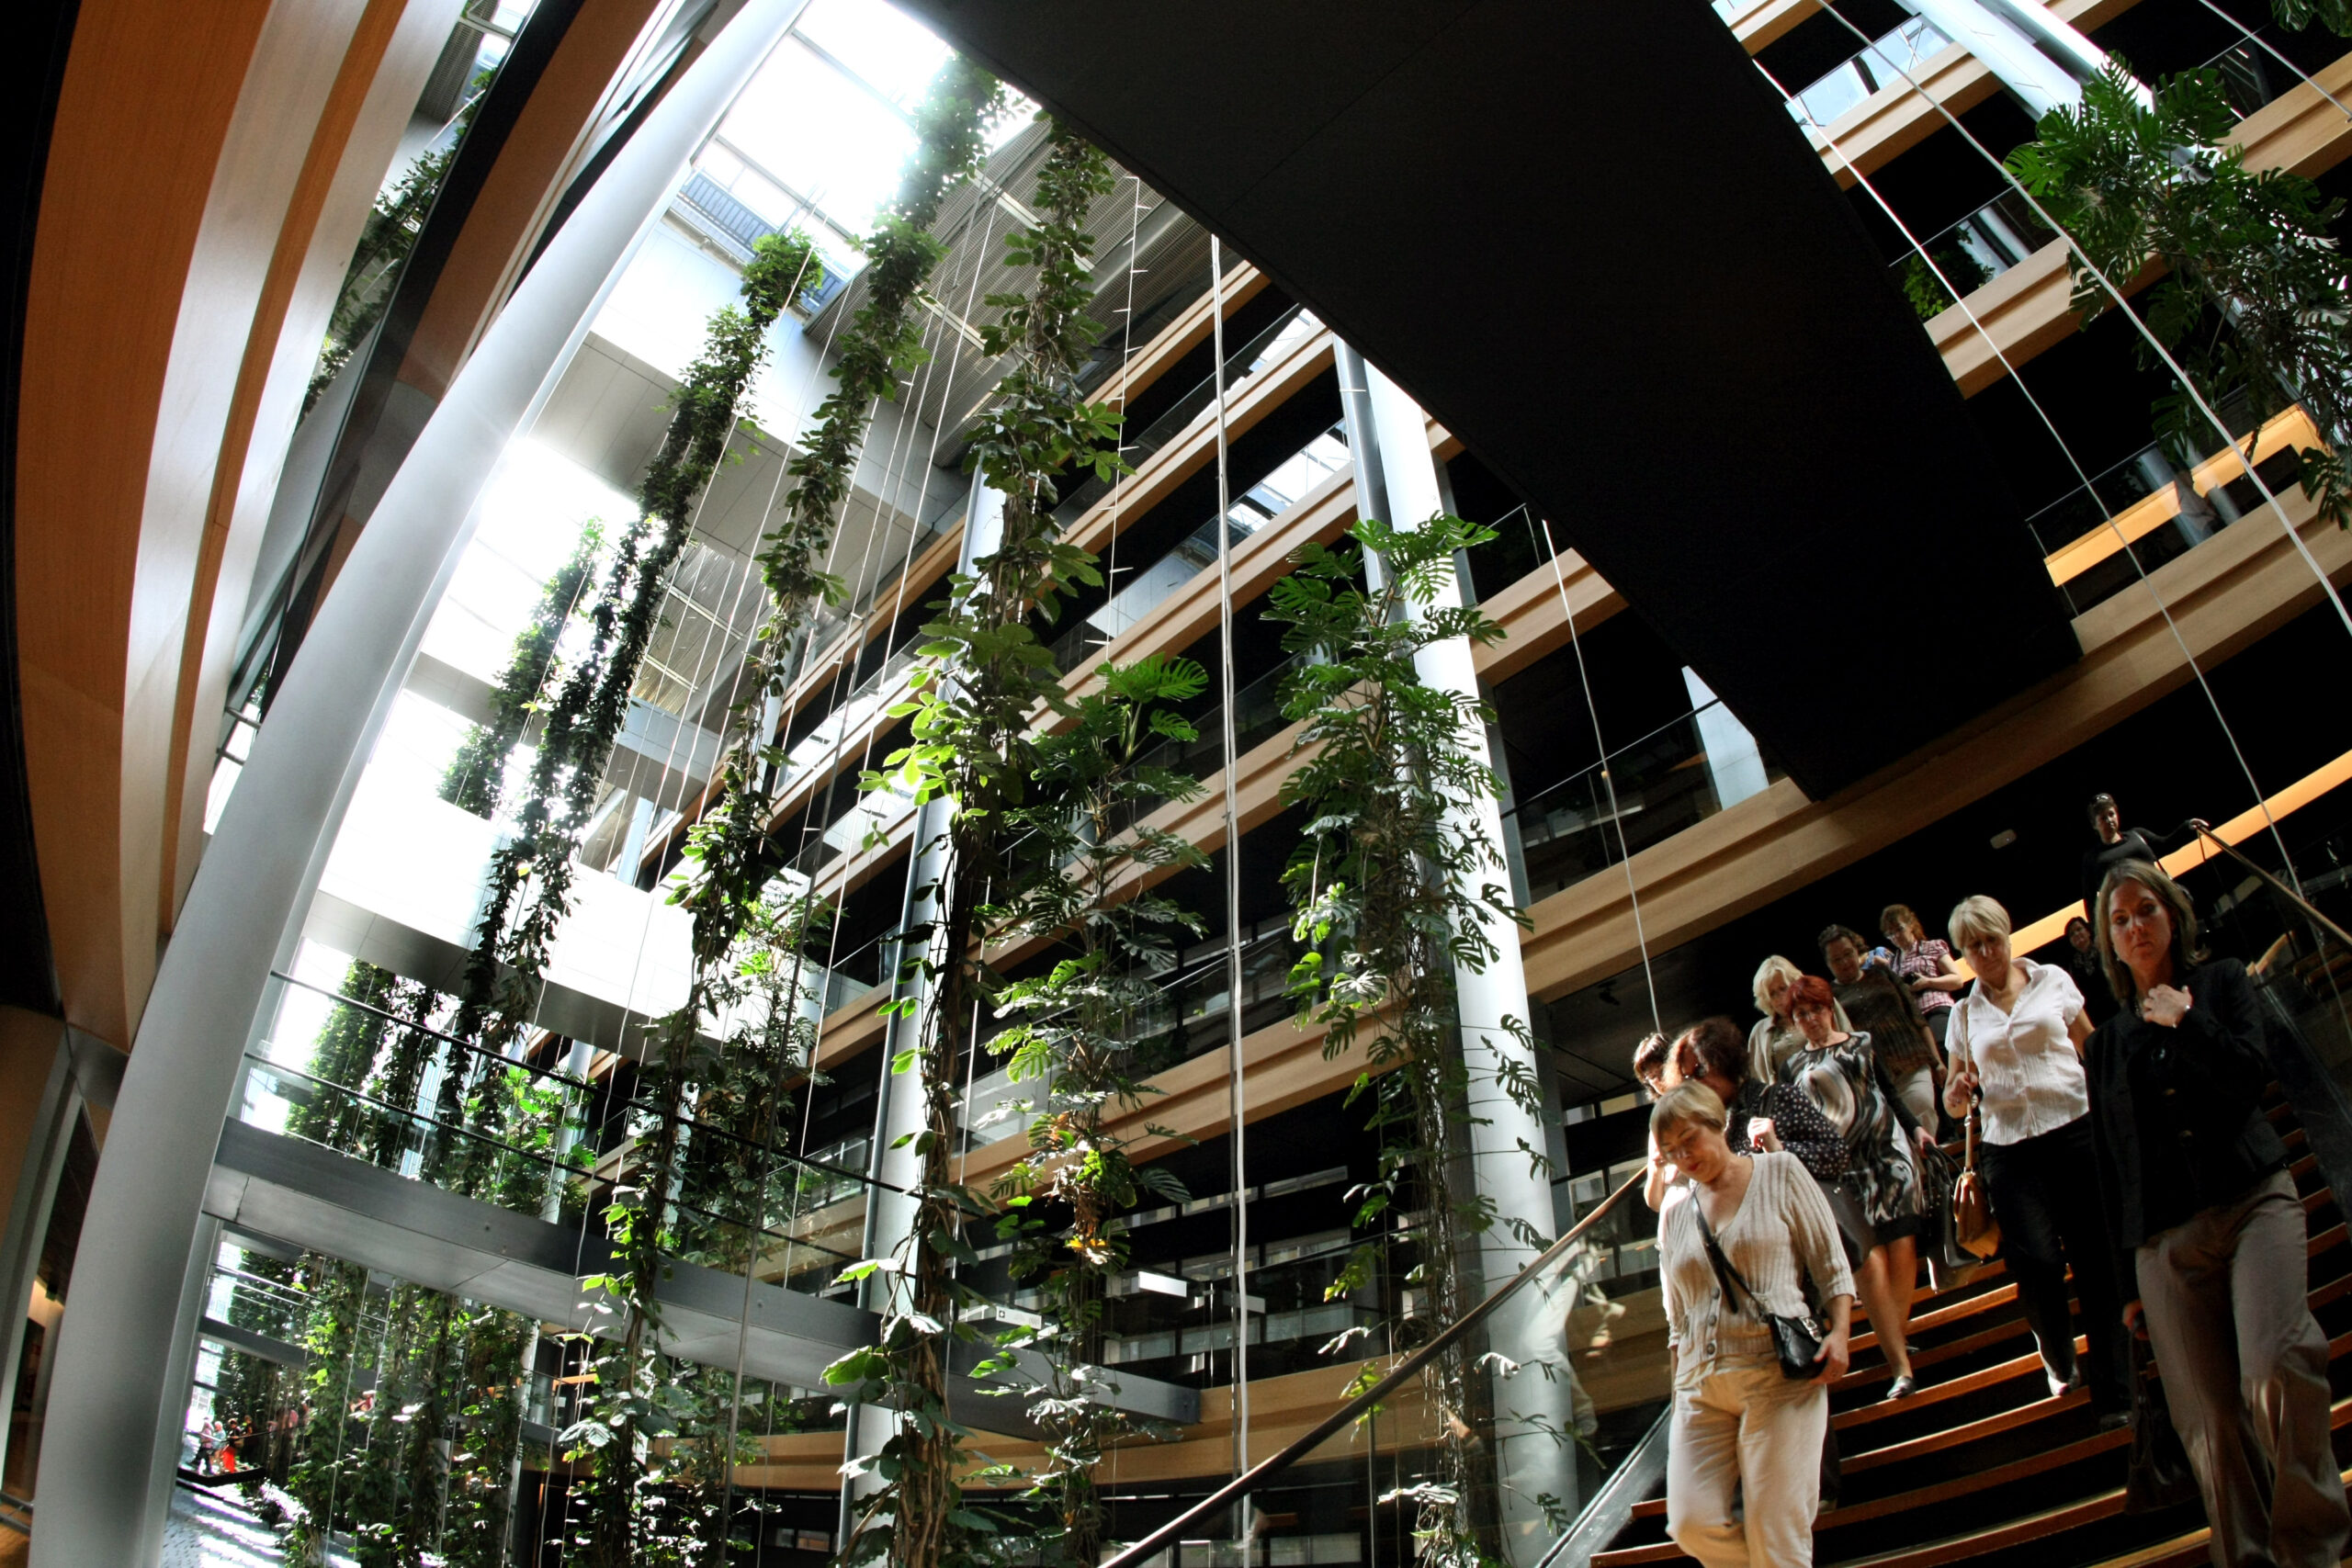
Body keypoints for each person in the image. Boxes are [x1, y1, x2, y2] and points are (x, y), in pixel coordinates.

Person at [2086, 861, 2350, 1568]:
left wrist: (2188, 1018)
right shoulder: (2104, 1044)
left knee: (2276, 1366)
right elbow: (2112, 1165)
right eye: (2120, 919)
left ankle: (2312, 1550)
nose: (2135, 926)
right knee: (2209, 1423)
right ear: (2109, 942)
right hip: (2164, 1243)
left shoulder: (2226, 981)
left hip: (2255, 1200)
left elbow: (2248, 1080)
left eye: (2146, 909)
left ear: (2173, 916)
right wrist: (2126, 1286)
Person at [1939, 895, 2129, 1424]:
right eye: (1973, 947)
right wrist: (1956, 1092)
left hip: (2075, 1130)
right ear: (1963, 955)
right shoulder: (1963, 1014)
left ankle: (2116, 1395)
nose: (1985, 953)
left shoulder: (2052, 981)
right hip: (2009, 1149)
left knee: (2097, 1264)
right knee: (2038, 1263)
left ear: (2007, 935)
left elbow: (2091, 1047)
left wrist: (2118, 1110)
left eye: (1991, 940)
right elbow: (1952, 1100)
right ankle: (2058, 1353)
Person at [1656, 1080, 1854, 1568]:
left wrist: (1840, 1332)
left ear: (1718, 1123)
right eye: (1671, 1150)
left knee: (1776, 1532)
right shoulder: (1674, 1211)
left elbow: (1830, 1262)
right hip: (1700, 1384)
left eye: (1689, 1140)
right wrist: (1678, 1391)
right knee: (1690, 1523)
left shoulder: (1779, 1171)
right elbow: (1676, 1318)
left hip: (1777, 1374)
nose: (1684, 1156)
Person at [1784, 973, 1932, 1397]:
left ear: (1830, 1007)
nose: (1810, 1019)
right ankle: (1899, 1359)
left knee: (1902, 1249)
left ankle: (1897, 1353)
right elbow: (1795, 1123)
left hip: (1887, 1156)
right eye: (1801, 1014)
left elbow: (1889, 1092)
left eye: (1815, 1009)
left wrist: (1916, 1129)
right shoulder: (1792, 1066)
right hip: (1840, 1172)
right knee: (1870, 1262)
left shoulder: (1862, 1042)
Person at [1664, 1018, 1849, 1189]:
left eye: (1700, 1070)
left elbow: (1837, 1156)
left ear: (1723, 1061)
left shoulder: (1777, 1098)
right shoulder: (1707, 1128)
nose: (1696, 1084)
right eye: (1687, 1078)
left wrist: (1778, 1148)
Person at [1820, 924, 1943, 1129]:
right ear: (1827, 963)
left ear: (1857, 951)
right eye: (1836, 959)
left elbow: (1916, 1017)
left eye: (1848, 954)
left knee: (1922, 1111)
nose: (1845, 963)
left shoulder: (1882, 974)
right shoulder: (1829, 998)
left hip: (1912, 1061)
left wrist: (1937, 1061)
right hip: (1874, 1080)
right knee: (1897, 1133)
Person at [2078, 793, 2198, 920]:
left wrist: (2187, 826)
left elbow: (2165, 845)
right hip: (2128, 919)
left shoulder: (2137, 835)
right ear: (2094, 825)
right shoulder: (2093, 858)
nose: (2109, 820)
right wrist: (2097, 930)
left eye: (2111, 814)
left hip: (2161, 902)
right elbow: (2090, 899)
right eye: (2103, 818)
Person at [1882, 904, 1965, 1055]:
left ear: (1911, 925)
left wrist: (1928, 982)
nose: (1896, 937)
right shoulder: (1893, 963)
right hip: (1914, 1021)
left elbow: (1957, 980)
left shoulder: (1931, 947)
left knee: (1947, 1050)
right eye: (1890, 934)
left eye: (1899, 929)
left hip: (1936, 1009)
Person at [2060, 915, 2117, 1027]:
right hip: (2096, 1018)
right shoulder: (2073, 967)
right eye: (2072, 934)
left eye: (2079, 929)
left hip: (2116, 1005)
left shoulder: (2104, 951)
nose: (2076, 934)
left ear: (2088, 931)